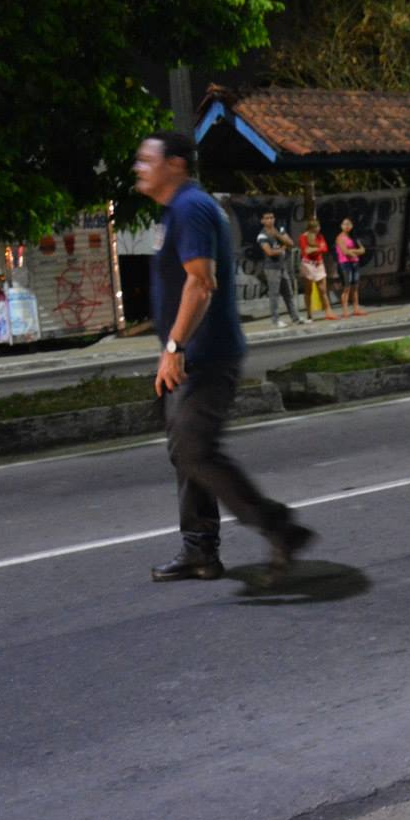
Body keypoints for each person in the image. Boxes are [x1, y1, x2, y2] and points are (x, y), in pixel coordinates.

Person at [132, 131, 315, 583]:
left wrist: (174, 348)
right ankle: (200, 551)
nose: (139, 168)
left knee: (196, 451)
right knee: (185, 453)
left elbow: (201, 283)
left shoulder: (191, 207)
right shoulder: (179, 209)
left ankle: (280, 528)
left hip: (207, 355)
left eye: (147, 160)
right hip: (190, 356)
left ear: (175, 165)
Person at [255, 211, 306, 328]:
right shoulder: (262, 236)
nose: (270, 220)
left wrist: (278, 235)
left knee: (288, 293)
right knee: (274, 295)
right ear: (262, 221)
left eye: (272, 218)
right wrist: (282, 249)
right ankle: (275, 320)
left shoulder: (280, 230)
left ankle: (295, 318)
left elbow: (291, 243)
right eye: (267, 218)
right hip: (271, 268)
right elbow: (269, 252)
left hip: (282, 267)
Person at [333, 217, 367, 318]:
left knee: (355, 286)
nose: (347, 226)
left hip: (355, 263)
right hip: (345, 263)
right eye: (345, 224)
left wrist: (352, 251)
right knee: (346, 287)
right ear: (341, 226)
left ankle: (356, 308)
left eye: (349, 224)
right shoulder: (340, 238)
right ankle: (345, 310)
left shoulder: (354, 237)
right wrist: (355, 252)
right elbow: (345, 252)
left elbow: (362, 250)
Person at [297, 217, 331, 320]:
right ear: (310, 228)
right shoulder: (303, 237)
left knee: (323, 289)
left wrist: (315, 249)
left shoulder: (320, 236)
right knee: (308, 290)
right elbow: (306, 251)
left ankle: (328, 311)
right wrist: (318, 248)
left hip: (319, 263)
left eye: (318, 227)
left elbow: (325, 248)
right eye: (315, 227)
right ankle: (309, 313)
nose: (318, 229)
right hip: (308, 264)